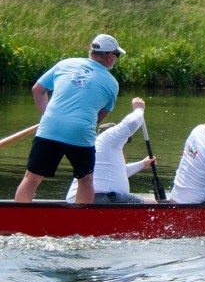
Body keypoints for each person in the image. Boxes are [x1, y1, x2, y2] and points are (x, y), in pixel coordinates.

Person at [15, 34, 124, 203]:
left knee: (32, 178)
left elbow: (38, 90)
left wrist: (48, 115)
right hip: (80, 131)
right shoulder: (113, 84)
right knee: (85, 180)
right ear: (109, 56)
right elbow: (98, 118)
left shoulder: (64, 64)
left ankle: (17, 223)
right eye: (117, 56)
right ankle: (82, 227)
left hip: (50, 126)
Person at [65, 97, 156, 204]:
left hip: (75, 199)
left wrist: (142, 164)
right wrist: (139, 109)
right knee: (152, 204)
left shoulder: (92, 146)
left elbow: (118, 171)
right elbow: (132, 122)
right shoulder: (110, 137)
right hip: (100, 198)